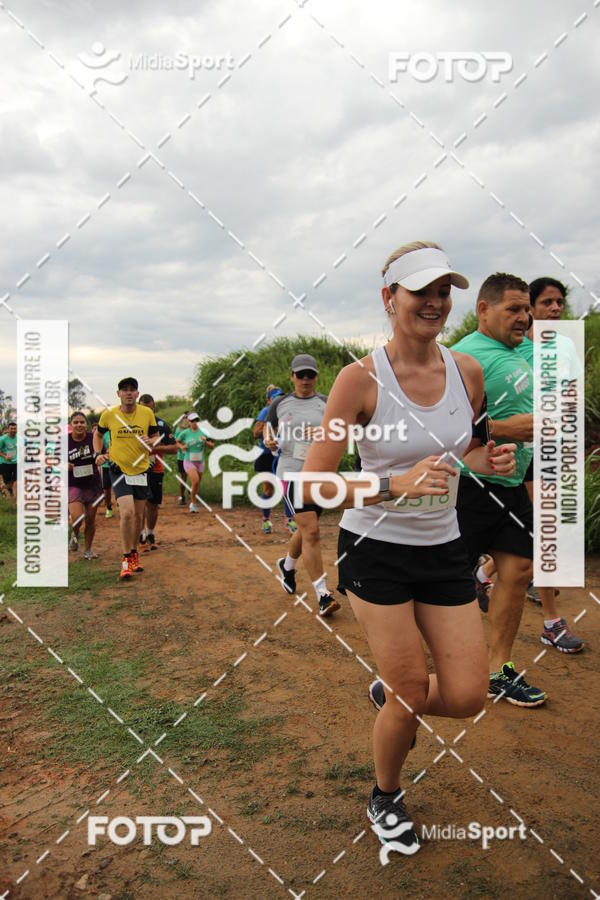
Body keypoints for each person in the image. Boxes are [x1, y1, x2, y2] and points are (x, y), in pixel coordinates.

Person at [298, 241, 516, 850]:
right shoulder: (358, 380)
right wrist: (394, 482)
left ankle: (395, 697)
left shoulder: (466, 372)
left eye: (445, 291)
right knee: (412, 692)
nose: (437, 303)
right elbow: (313, 482)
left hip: (444, 547)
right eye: (422, 291)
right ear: (389, 298)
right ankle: (385, 794)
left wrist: (485, 457)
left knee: (470, 696)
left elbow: (462, 449)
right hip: (376, 550)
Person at [265, 354, 339, 617]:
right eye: (300, 375)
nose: (305, 379)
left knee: (308, 530)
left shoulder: (326, 403)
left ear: (316, 376)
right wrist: (269, 441)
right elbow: (267, 429)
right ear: (292, 377)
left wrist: (323, 434)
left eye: (310, 374)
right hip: (291, 473)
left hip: (319, 474)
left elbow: (339, 433)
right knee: (312, 531)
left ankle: (287, 565)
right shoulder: (280, 403)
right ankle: (323, 595)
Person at [94, 377, 159, 580]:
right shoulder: (109, 414)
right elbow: (98, 435)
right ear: (118, 394)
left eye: (132, 390)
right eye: (125, 390)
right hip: (118, 468)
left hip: (140, 469)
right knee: (127, 513)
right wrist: (98, 453)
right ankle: (125, 561)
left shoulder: (147, 413)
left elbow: (156, 436)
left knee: (139, 517)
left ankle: (133, 554)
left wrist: (151, 441)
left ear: (137, 394)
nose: (129, 393)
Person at [253, 385, 298, 534]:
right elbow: (255, 432)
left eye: (280, 396)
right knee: (269, 489)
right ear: (268, 401)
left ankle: (289, 520)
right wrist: (269, 429)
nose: (278, 400)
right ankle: (266, 521)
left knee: (287, 488)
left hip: (283, 454)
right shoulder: (265, 412)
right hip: (266, 455)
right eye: (275, 397)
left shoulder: (287, 412)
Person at [138, 394, 177, 549]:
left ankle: (150, 532)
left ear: (154, 408)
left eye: (150, 408)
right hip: (137, 470)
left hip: (156, 469)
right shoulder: (132, 424)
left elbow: (174, 448)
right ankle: (140, 535)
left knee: (153, 504)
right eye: (144, 408)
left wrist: (155, 448)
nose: (147, 411)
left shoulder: (161, 425)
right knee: (140, 502)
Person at [68, 412, 102, 559]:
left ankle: (88, 550)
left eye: (82, 422)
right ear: (71, 425)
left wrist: (102, 458)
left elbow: (103, 453)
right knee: (77, 516)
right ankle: (75, 533)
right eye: (76, 422)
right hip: (73, 484)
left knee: (90, 519)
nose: (79, 425)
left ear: (86, 424)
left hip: (92, 484)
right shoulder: (64, 441)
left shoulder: (92, 438)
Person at [176, 412, 213, 513]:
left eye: (196, 420)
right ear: (189, 422)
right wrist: (182, 447)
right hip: (188, 460)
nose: (195, 422)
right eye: (193, 421)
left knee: (196, 484)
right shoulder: (185, 433)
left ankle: (193, 500)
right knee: (195, 481)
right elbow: (176, 441)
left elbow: (212, 445)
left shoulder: (203, 432)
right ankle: (192, 504)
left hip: (200, 461)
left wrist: (206, 441)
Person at [174, 413, 190, 505]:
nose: (187, 419)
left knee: (194, 476)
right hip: (182, 457)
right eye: (185, 417)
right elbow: (175, 442)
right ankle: (182, 496)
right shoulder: (179, 429)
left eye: (188, 417)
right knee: (183, 477)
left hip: (193, 456)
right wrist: (182, 446)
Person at [0, 422, 17, 500]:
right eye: (11, 428)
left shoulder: (19, 438)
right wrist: (5, 456)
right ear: (8, 429)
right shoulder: (3, 439)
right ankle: (5, 488)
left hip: (16, 462)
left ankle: (4, 488)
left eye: (15, 428)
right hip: (5, 463)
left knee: (15, 479)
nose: (13, 430)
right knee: (7, 481)